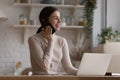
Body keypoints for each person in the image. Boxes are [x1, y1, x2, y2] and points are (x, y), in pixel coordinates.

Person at [28, 6, 78, 75]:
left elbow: (68, 67)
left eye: (60, 18)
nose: (60, 21)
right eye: (55, 18)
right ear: (45, 21)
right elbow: (45, 66)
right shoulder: (33, 39)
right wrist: (50, 41)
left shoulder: (62, 41)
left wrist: (81, 72)